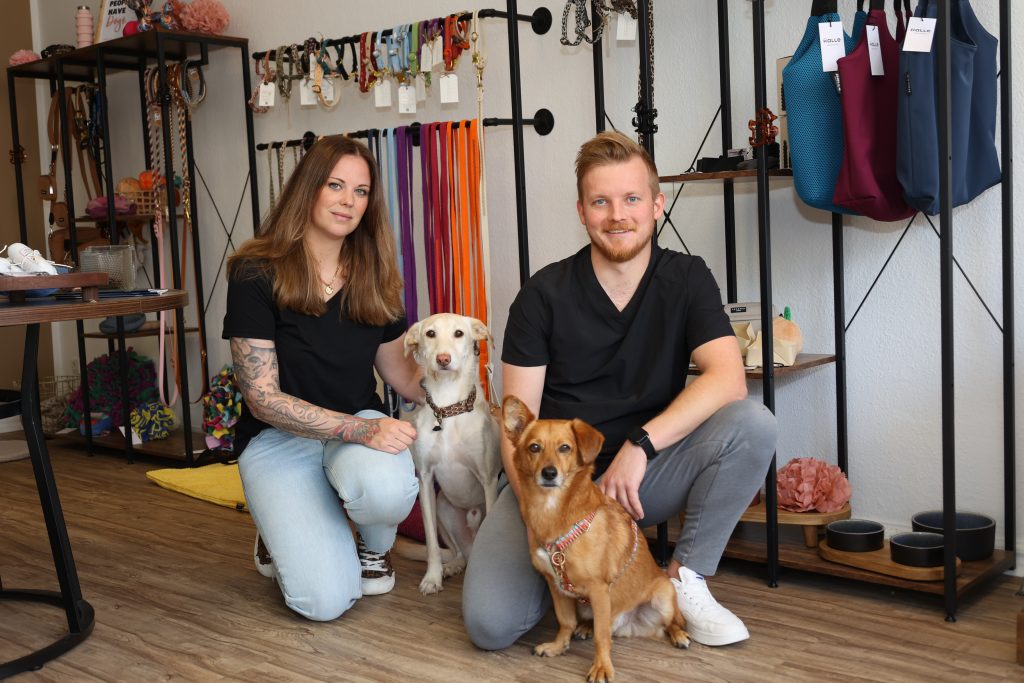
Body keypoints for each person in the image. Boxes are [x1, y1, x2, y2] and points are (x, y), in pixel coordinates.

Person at [463, 131, 778, 648]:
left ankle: (684, 579)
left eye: (632, 199)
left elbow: (728, 379)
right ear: (581, 211)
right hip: (553, 484)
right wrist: (539, 520)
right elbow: (517, 430)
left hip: (640, 480)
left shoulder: (687, 277)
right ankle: (575, 586)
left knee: (753, 424)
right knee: (489, 625)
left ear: (656, 205)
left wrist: (640, 445)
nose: (617, 216)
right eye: (600, 202)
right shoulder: (541, 294)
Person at [222, 135, 422, 621]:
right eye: (335, 185)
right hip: (278, 438)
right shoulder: (256, 271)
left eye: (360, 191)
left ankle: (373, 547)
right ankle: (276, 528)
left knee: (386, 489)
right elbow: (262, 399)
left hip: (357, 430)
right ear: (308, 188)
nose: (348, 200)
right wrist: (361, 429)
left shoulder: (376, 274)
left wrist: (461, 376)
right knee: (324, 602)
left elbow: (403, 377)